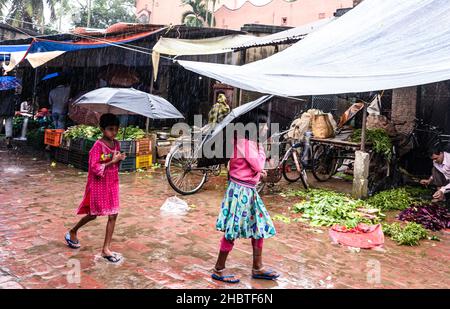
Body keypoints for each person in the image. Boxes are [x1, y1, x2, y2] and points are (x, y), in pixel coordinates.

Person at [211, 109, 279, 284]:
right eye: (263, 125)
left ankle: (258, 267)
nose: (266, 128)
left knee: (259, 226)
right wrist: (262, 148)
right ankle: (219, 269)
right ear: (254, 126)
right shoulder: (245, 142)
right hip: (241, 191)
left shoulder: (249, 142)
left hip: (248, 190)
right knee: (232, 231)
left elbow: (252, 167)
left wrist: (259, 170)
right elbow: (257, 163)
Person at [65, 113, 127, 263]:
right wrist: (112, 161)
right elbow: (94, 167)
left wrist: (119, 159)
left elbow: (116, 164)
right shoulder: (97, 146)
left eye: (116, 129)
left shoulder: (117, 144)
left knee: (113, 215)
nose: (113, 132)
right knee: (93, 214)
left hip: (112, 183)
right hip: (99, 185)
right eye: (110, 129)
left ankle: (106, 249)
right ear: (101, 129)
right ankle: (73, 231)